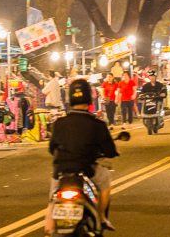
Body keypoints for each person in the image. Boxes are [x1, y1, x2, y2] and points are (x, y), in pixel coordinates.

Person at [46, 79, 119, 234]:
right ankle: (101, 219)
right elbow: (110, 151)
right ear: (89, 98)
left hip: (60, 171)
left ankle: (49, 227)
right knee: (105, 181)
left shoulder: (60, 123)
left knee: (53, 197)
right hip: (87, 170)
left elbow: (52, 148)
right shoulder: (97, 124)